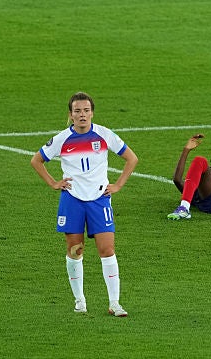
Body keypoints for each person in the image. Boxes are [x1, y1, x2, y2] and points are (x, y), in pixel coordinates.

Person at [30, 91, 139, 316]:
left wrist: (117, 185)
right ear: (70, 115)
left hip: (100, 200)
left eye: (86, 110)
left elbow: (131, 158)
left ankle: (114, 303)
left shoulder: (104, 135)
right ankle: (80, 300)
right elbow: (37, 160)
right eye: (78, 111)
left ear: (92, 113)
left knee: (107, 249)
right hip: (73, 200)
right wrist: (53, 183)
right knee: (75, 250)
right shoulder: (61, 139)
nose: (82, 115)